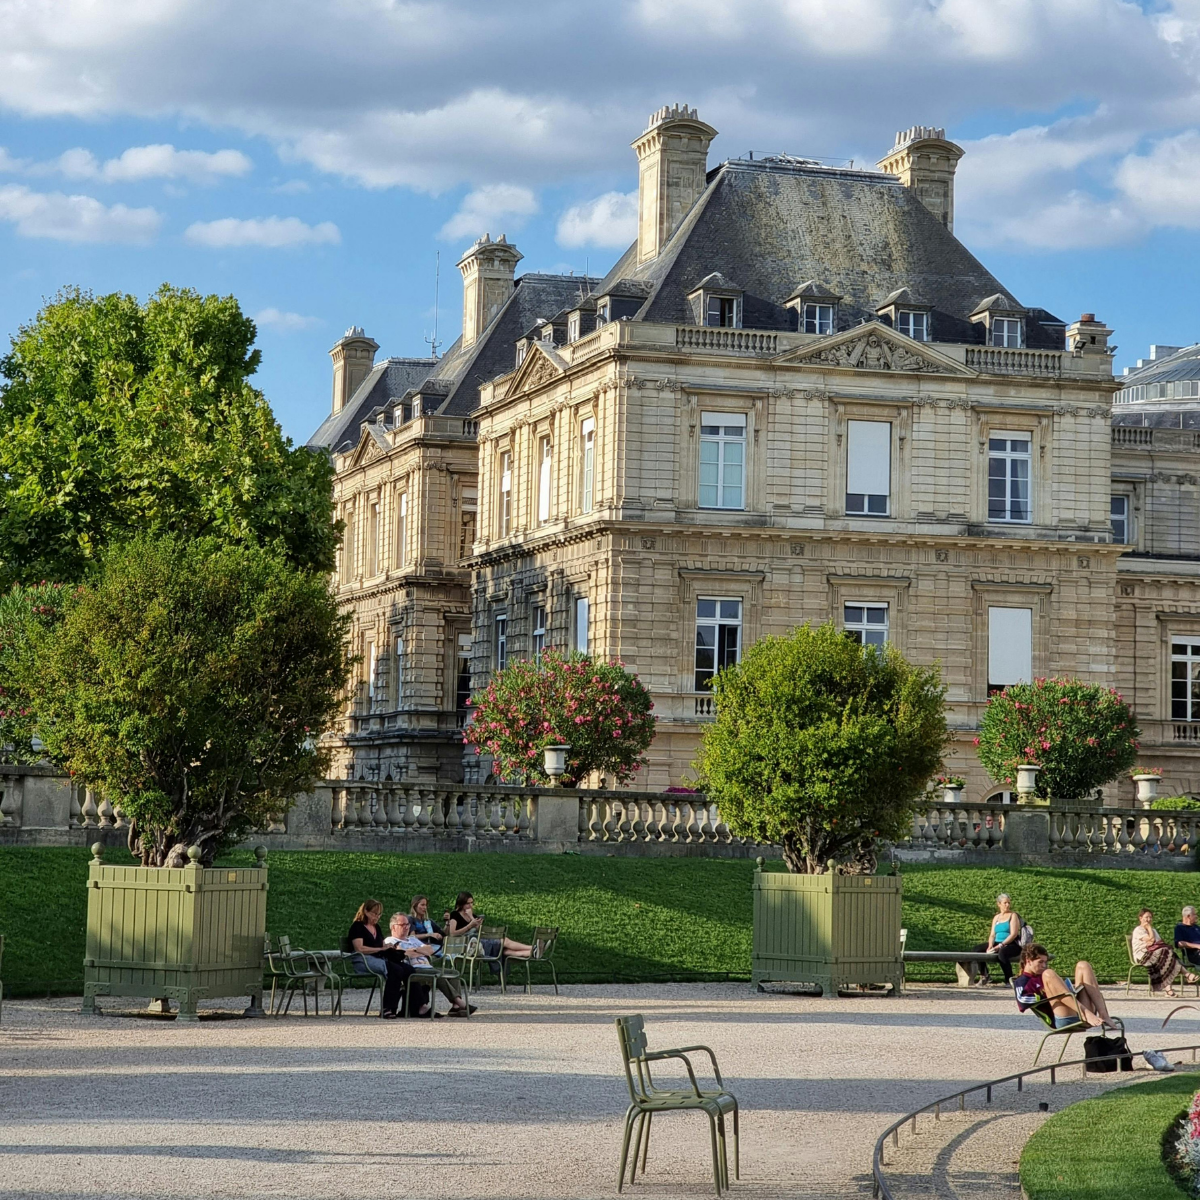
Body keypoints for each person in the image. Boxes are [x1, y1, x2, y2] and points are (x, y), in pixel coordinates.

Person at [384, 912, 475, 1017]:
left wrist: (414, 949)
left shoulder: (412, 939)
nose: (406, 927)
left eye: (407, 924)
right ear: (393, 927)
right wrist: (419, 951)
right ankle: (460, 1002)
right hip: (414, 969)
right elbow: (403, 954)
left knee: (454, 973)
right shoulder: (390, 940)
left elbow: (430, 950)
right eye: (402, 925)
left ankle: (455, 1007)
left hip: (427, 967)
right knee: (437, 974)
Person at [1013, 943, 1118, 1030]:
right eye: (1040, 962)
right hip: (1062, 1018)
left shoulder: (1044, 975)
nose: (1044, 965)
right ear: (1028, 961)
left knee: (1083, 965)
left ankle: (1103, 1014)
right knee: (1048, 973)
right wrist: (1047, 994)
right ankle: (1084, 1013)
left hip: (1076, 1008)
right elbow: (1022, 1001)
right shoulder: (1022, 981)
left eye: (1045, 962)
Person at [347, 899, 413, 1019]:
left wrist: (387, 947)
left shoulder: (376, 927)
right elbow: (359, 949)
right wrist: (380, 949)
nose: (376, 917)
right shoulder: (357, 927)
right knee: (395, 970)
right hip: (363, 960)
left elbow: (381, 945)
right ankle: (387, 1008)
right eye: (374, 914)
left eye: (379, 914)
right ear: (366, 912)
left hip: (378, 958)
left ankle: (413, 1007)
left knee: (409, 970)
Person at [445, 891, 535, 963]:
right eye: (468, 903)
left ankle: (532, 952)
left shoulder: (473, 915)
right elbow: (452, 934)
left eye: (472, 903)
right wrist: (469, 925)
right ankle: (533, 948)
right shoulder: (455, 915)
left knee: (504, 952)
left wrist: (473, 918)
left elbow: (480, 931)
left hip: (479, 942)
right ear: (461, 904)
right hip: (467, 945)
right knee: (504, 941)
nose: (470, 906)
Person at [1132, 907, 1199, 997]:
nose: (1149, 919)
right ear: (1140, 918)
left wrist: (1151, 933)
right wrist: (1148, 928)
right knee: (1166, 956)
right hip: (1142, 955)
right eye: (1146, 917)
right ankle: (1186, 975)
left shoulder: (1154, 930)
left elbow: (1158, 943)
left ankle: (1170, 989)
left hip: (1154, 954)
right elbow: (1151, 940)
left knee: (1168, 955)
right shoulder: (1138, 930)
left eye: (1150, 917)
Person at [971, 893, 1023, 985]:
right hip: (997, 943)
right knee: (977, 949)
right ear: (999, 904)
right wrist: (991, 945)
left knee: (1002, 953)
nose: (1007, 905)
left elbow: (1013, 934)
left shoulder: (1013, 915)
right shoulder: (996, 917)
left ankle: (1009, 980)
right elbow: (992, 935)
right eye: (1005, 903)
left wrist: (1000, 945)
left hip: (1011, 944)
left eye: (1009, 903)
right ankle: (985, 976)